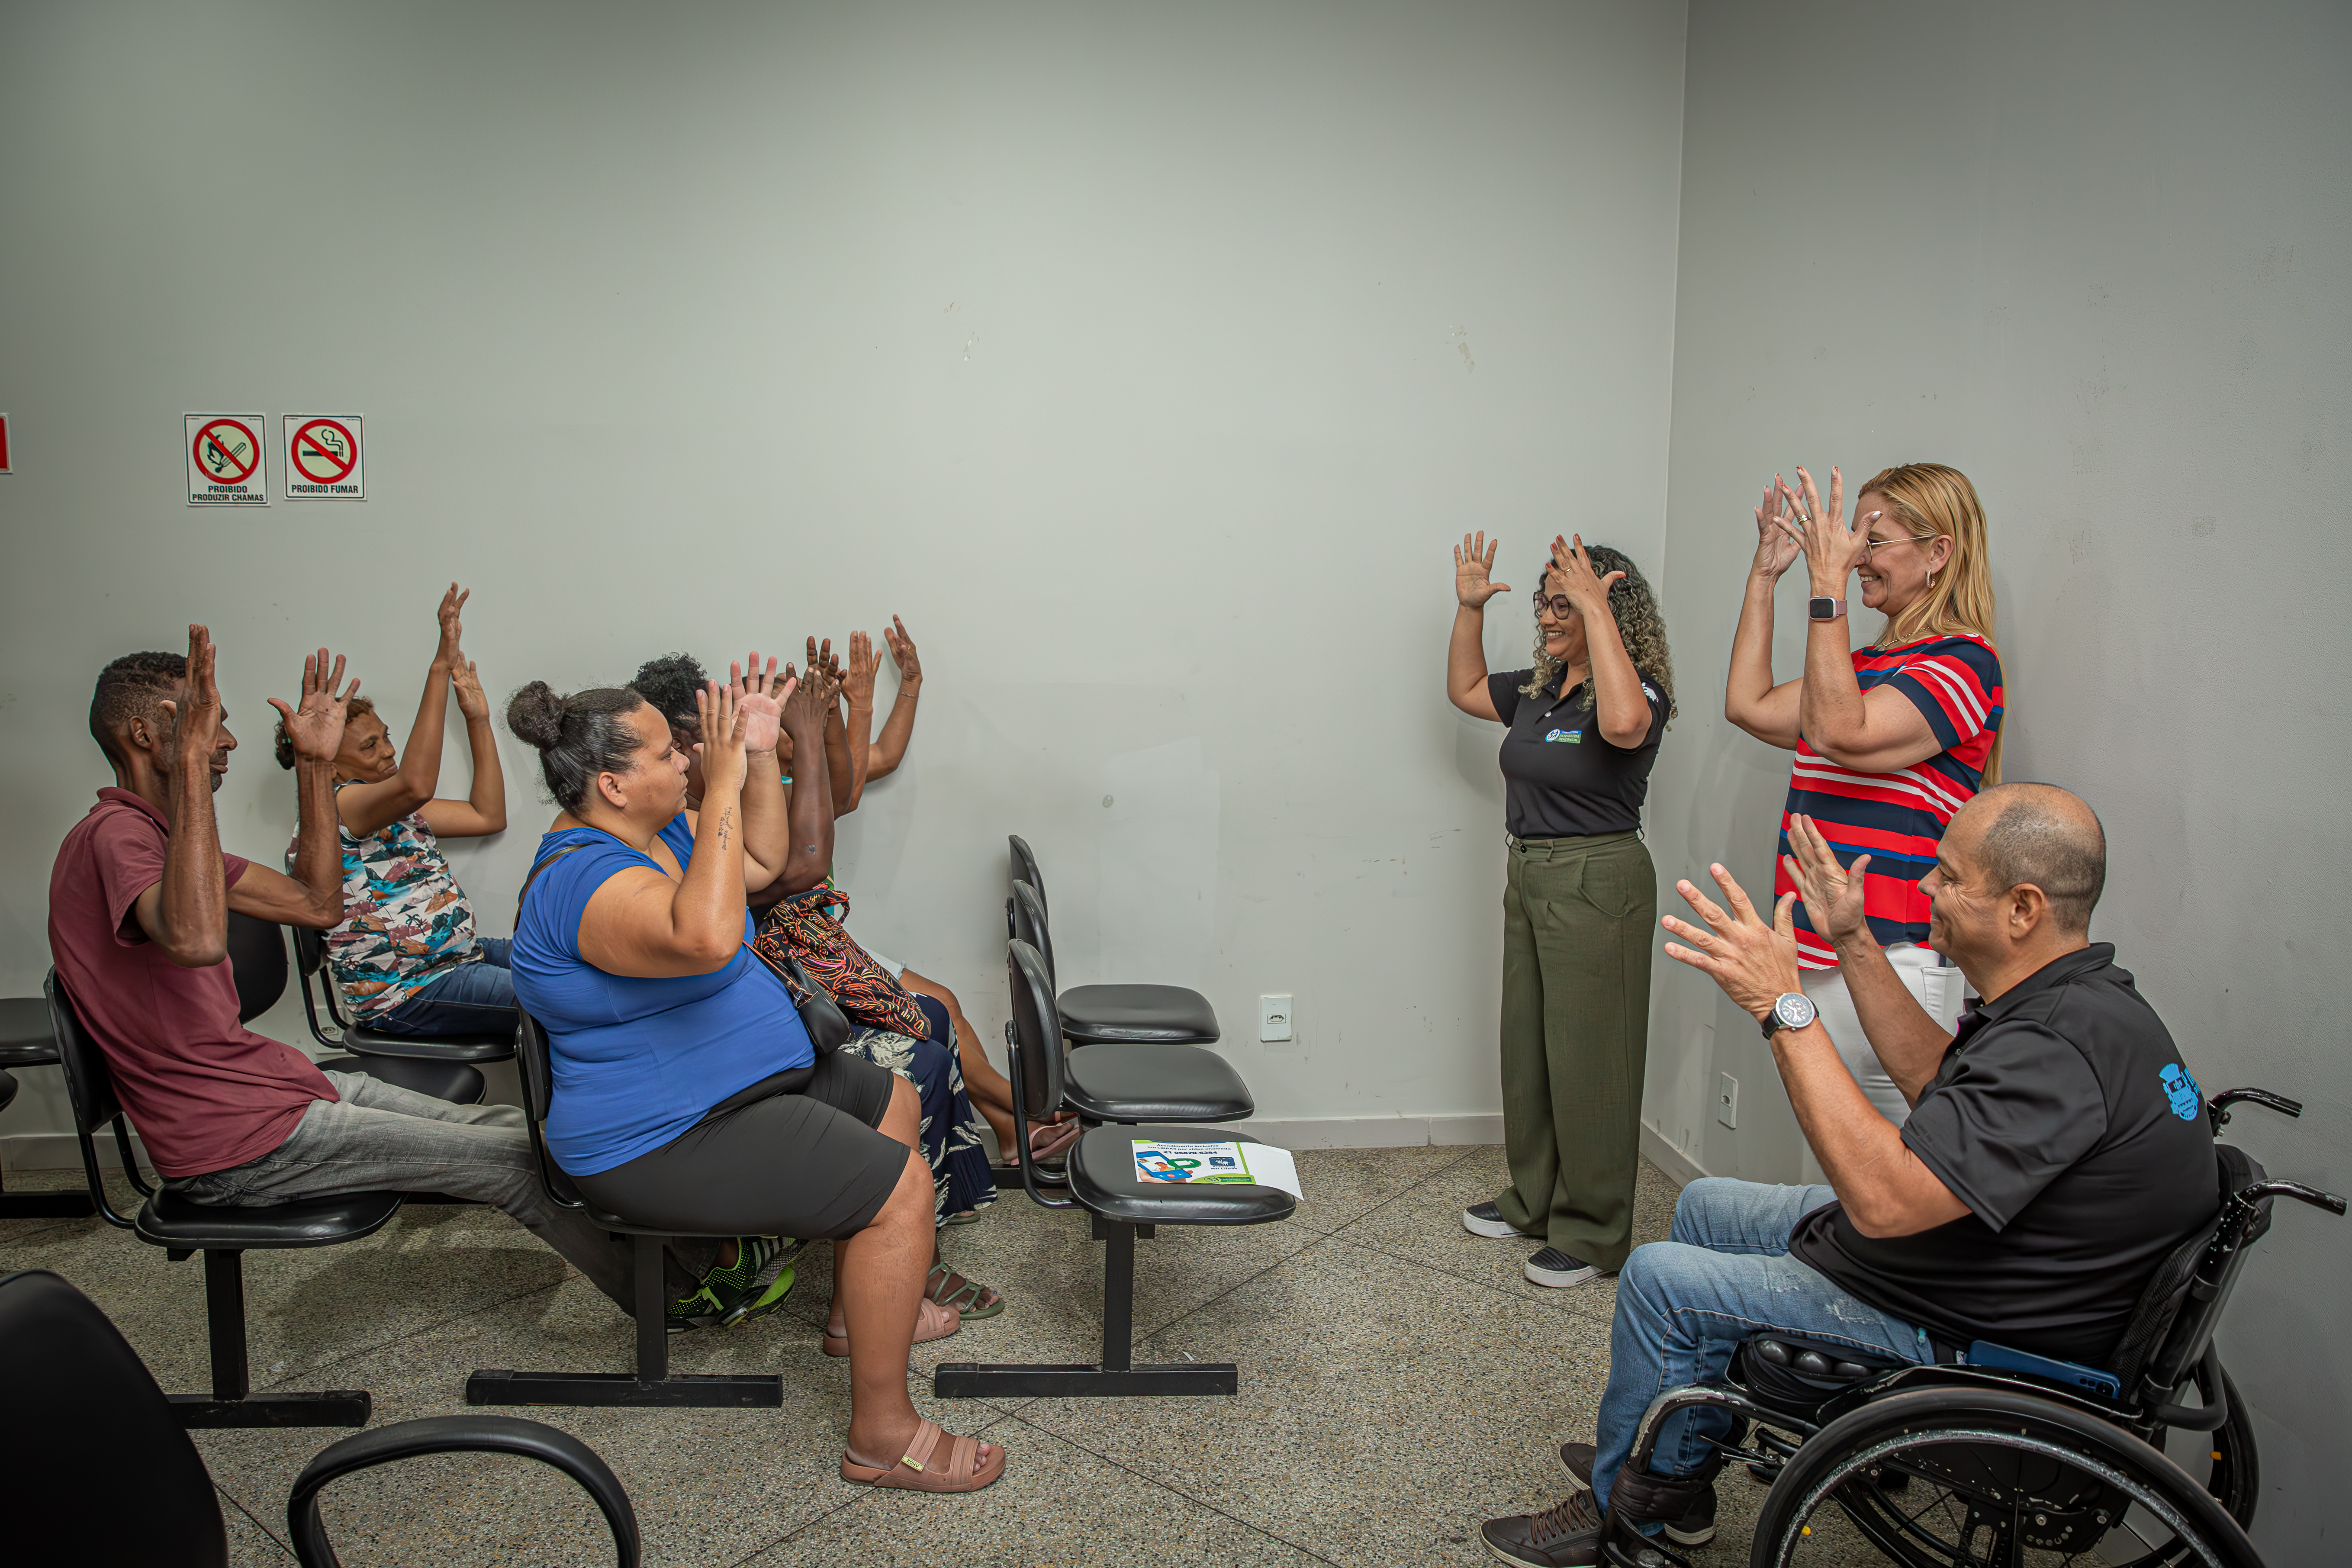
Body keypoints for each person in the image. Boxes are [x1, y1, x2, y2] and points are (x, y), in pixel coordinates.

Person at [1476, 784, 2217, 1566]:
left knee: (1661, 1279)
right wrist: (1855, 937)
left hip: (1976, 1329)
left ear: (2023, 907)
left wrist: (1784, 1005)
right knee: (1704, 1206)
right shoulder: (2077, 1001)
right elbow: (1936, 1079)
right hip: (1978, 1263)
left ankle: (1620, 1523)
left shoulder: (2060, 1045)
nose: (1927, 886)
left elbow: (1886, 1199)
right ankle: (1679, 1474)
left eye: (1949, 875)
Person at [47, 628, 702, 1329]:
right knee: (517, 1160)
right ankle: (678, 1309)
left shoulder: (178, 846)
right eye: (205, 719)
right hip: (232, 1141)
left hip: (277, 1086)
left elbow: (318, 904)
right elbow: (197, 938)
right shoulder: (114, 837)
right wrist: (189, 778)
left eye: (223, 720)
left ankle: (685, 1265)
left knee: (516, 1128)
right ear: (146, 734)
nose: (226, 738)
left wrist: (313, 764)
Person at [504, 667, 1003, 1490]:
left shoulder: (656, 835)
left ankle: (861, 1311)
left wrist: (762, 753)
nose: (689, 757)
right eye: (670, 752)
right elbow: (702, 938)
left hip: (725, 1093)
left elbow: (766, 858)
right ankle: (882, 1435)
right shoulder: (580, 880)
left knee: (895, 1097)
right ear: (613, 784)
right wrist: (728, 779)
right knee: (901, 1190)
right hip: (656, 1136)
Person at [628, 649, 1007, 1311]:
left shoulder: (717, 795)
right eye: (674, 750)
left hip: (789, 976)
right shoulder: (682, 821)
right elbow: (802, 866)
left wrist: (838, 713)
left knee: (930, 1017)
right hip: (767, 998)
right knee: (914, 1046)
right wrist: (796, 734)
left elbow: (840, 792)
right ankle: (886, 1271)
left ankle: (928, 1223)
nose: (687, 758)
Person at [1724, 462, 2004, 1134]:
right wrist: (1765, 577)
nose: (1853, 558)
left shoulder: (1966, 661)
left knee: (1897, 1176)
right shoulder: (1858, 667)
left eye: (1871, 542)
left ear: (1938, 552)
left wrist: (1825, 589)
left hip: (1896, 958)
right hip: (1819, 948)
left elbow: (1838, 730)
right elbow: (1748, 705)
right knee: (1833, 1169)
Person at [1446, 531, 1676, 1289]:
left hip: (1597, 877)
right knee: (1532, 1051)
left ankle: (1595, 1230)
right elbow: (1467, 689)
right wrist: (1470, 609)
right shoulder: (1540, 690)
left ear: (1606, 607)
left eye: (1562, 601)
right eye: (1544, 600)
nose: (1546, 614)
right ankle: (1534, 1199)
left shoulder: (1634, 691)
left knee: (1592, 1061)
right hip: (1530, 872)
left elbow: (1622, 729)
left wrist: (1595, 611)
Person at [275, 583, 513, 1035]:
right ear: (328, 763)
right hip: (408, 994)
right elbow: (416, 785)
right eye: (369, 745)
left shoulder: (391, 813)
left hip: (456, 961)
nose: (388, 751)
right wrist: (440, 667)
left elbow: (487, 815)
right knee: (564, 995)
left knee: (567, 958)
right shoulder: (339, 808)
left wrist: (478, 719)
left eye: (385, 736)